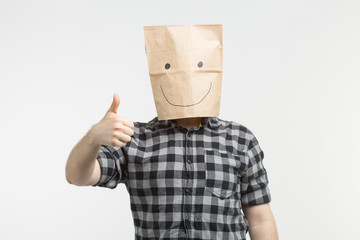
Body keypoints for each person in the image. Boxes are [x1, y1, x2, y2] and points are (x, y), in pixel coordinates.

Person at [66, 24, 278, 240]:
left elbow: (260, 219)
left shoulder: (240, 140)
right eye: (169, 66)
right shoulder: (134, 139)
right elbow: (77, 176)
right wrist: (93, 137)